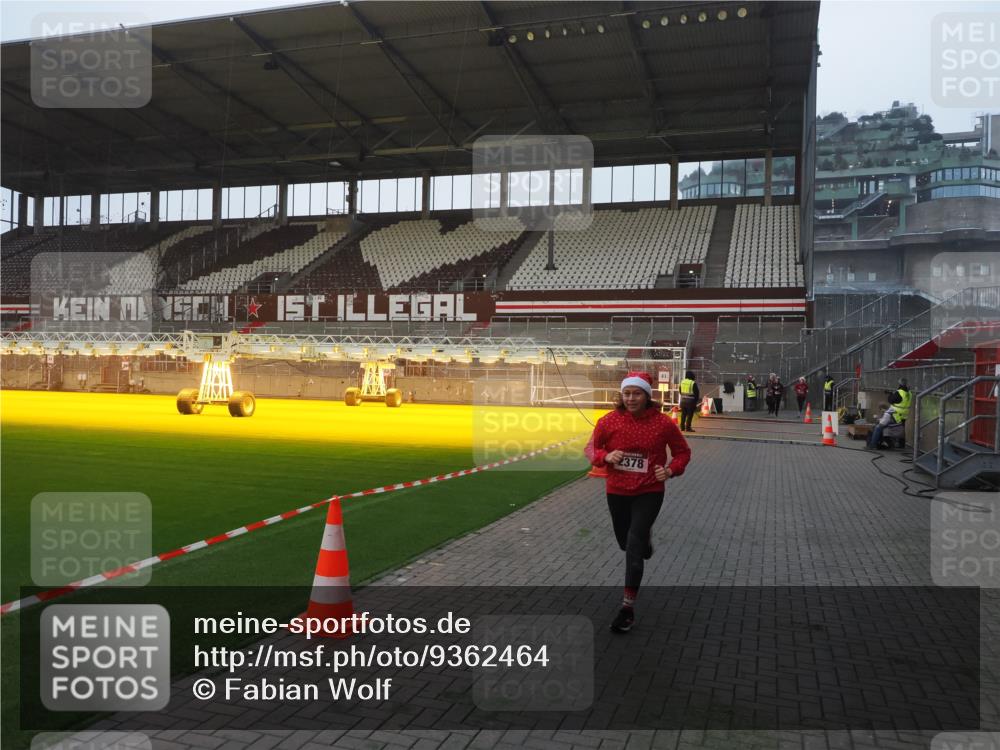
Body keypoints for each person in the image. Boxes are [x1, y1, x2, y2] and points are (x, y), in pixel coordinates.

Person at [586, 372, 691, 634]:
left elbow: (682, 452)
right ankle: (642, 540)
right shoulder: (607, 421)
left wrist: (670, 470)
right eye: (627, 393)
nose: (631, 398)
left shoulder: (663, 423)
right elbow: (591, 450)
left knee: (633, 546)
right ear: (621, 396)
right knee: (625, 542)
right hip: (617, 491)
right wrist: (606, 456)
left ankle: (627, 608)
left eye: (637, 393)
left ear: (647, 396)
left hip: (649, 491)